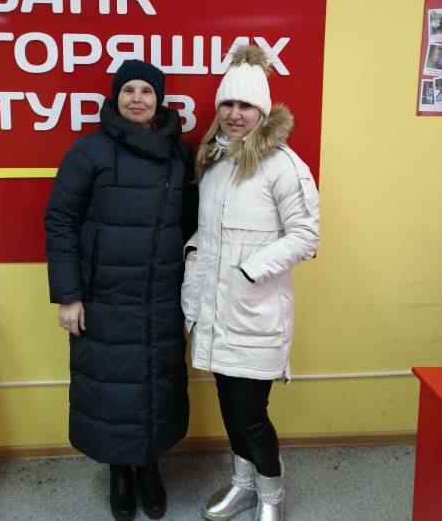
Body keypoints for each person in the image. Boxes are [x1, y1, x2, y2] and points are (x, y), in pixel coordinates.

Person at [45, 59, 197, 521]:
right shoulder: (89, 151)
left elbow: (192, 224)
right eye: (128, 90)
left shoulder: (179, 154)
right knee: (111, 391)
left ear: (159, 100)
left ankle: (149, 469)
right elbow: (61, 222)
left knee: (156, 386)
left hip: (161, 297)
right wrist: (69, 295)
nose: (137, 99)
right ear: (116, 97)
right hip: (104, 299)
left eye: (146, 91)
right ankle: (120, 474)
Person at [181, 45, 319, 521]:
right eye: (228, 104)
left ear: (262, 111)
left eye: (245, 106)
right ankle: (243, 485)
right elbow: (210, 232)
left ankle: (272, 495)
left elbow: (306, 236)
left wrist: (249, 270)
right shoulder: (214, 161)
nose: (235, 114)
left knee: (250, 416)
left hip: (253, 310)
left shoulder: (284, 165)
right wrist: (195, 254)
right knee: (228, 407)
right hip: (213, 308)